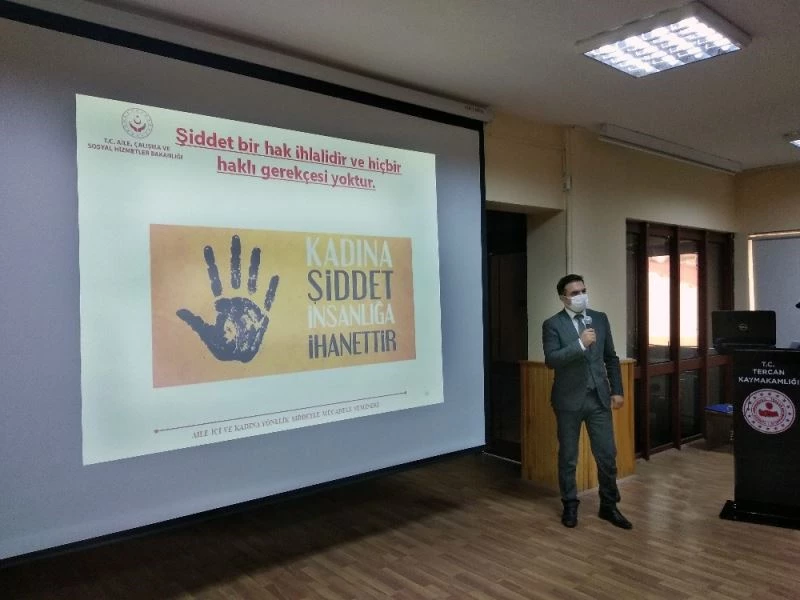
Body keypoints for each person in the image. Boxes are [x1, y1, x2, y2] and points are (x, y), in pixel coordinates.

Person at [542, 274, 632, 530]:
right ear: (563, 298)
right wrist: (580, 344)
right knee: (569, 457)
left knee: (607, 454)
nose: (581, 295)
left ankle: (609, 505)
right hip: (568, 401)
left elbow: (610, 357)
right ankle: (570, 505)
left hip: (599, 399)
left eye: (583, 290)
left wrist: (617, 390)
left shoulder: (599, 318)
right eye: (574, 293)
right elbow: (551, 360)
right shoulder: (553, 324)